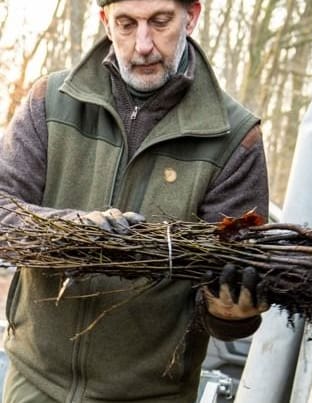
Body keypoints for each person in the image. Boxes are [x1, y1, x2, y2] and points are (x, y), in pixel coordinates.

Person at [0, 0, 270, 401]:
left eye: (160, 22)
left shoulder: (234, 137)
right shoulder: (50, 102)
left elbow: (228, 283)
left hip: (152, 394)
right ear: (106, 22)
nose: (143, 44)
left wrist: (231, 317)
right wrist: (71, 232)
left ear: (191, 17)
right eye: (127, 24)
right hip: (35, 383)